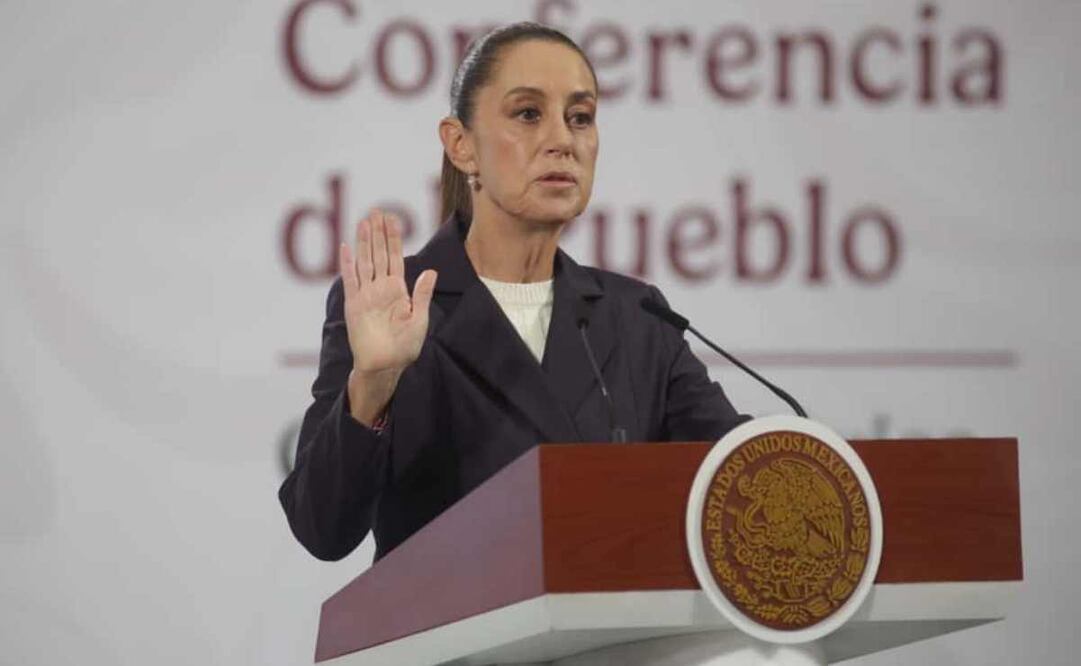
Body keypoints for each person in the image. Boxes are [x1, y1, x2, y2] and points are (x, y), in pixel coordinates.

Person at [279, 22, 749, 562]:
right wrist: (374, 384)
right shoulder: (397, 304)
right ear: (461, 145)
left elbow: (742, 474)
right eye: (528, 114)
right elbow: (322, 529)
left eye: (580, 118)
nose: (562, 140)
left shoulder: (639, 317)